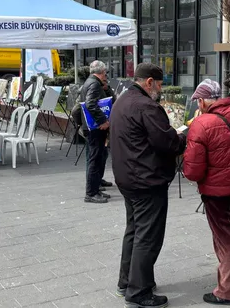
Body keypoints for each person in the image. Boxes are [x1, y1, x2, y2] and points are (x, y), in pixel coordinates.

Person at [110, 63, 187, 308]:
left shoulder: (122, 100)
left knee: (134, 230)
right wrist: (184, 135)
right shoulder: (146, 106)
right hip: (146, 180)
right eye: (160, 84)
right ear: (149, 82)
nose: (161, 90)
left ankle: (127, 282)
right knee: (148, 236)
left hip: (128, 177)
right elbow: (167, 143)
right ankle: (139, 292)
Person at [182, 79, 230, 306]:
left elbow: (193, 171)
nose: (198, 105)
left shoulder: (201, 124)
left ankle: (227, 291)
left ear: (204, 101)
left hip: (217, 194)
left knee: (224, 240)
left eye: (198, 100)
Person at [80, 60, 115, 204]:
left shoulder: (91, 82)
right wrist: (102, 121)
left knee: (98, 157)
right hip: (94, 128)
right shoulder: (94, 84)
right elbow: (90, 104)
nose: (106, 75)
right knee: (95, 159)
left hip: (91, 127)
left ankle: (96, 188)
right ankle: (91, 193)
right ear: (102, 72)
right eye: (105, 72)